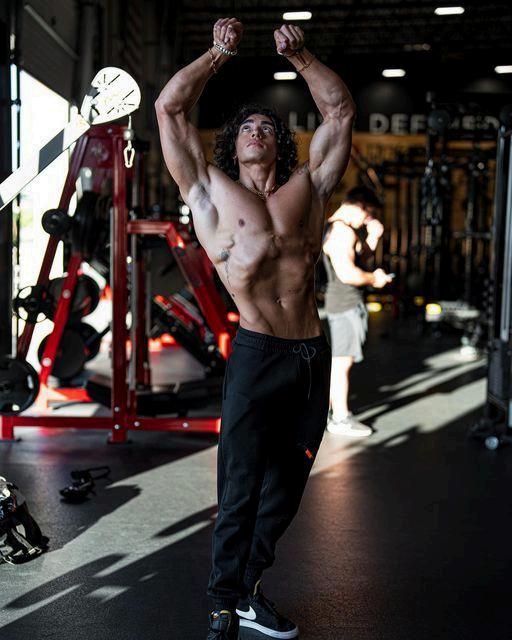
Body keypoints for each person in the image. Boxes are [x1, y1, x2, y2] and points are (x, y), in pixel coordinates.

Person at [155, 17, 355, 640]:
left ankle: (247, 588)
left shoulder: (309, 189)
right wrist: (218, 54)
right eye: (246, 126)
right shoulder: (207, 192)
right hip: (257, 351)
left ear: (280, 143)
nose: (258, 131)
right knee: (239, 483)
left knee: (288, 486)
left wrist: (304, 57)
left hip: (309, 355)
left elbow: (339, 110)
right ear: (231, 143)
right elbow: (169, 107)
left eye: (267, 126)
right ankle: (222, 600)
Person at [322, 187, 393, 437]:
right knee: (341, 363)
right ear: (359, 205)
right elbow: (348, 273)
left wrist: (373, 237)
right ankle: (340, 419)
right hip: (344, 304)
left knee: (340, 362)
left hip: (343, 302)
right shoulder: (342, 232)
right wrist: (375, 279)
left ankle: (328, 414)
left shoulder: (338, 228)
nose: (367, 220)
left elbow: (357, 259)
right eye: (368, 213)